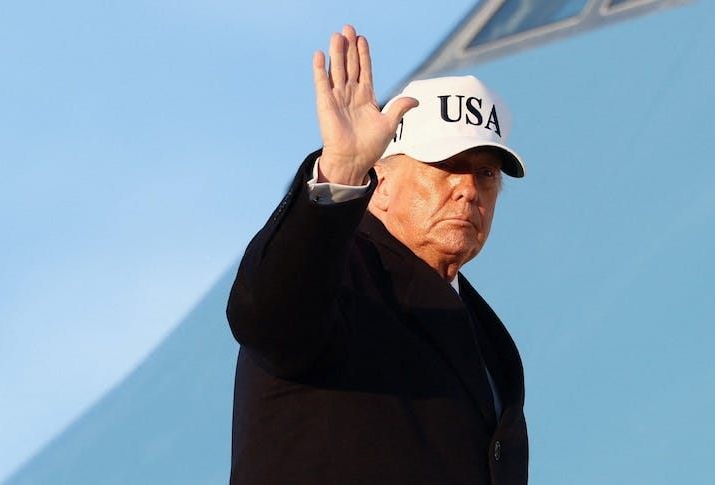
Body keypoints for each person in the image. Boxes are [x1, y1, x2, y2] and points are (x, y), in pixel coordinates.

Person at [226, 25, 528, 485]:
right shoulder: (339, 273)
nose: (468, 189)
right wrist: (340, 173)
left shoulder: (489, 340)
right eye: (444, 165)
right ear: (380, 184)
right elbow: (266, 315)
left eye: (485, 173)